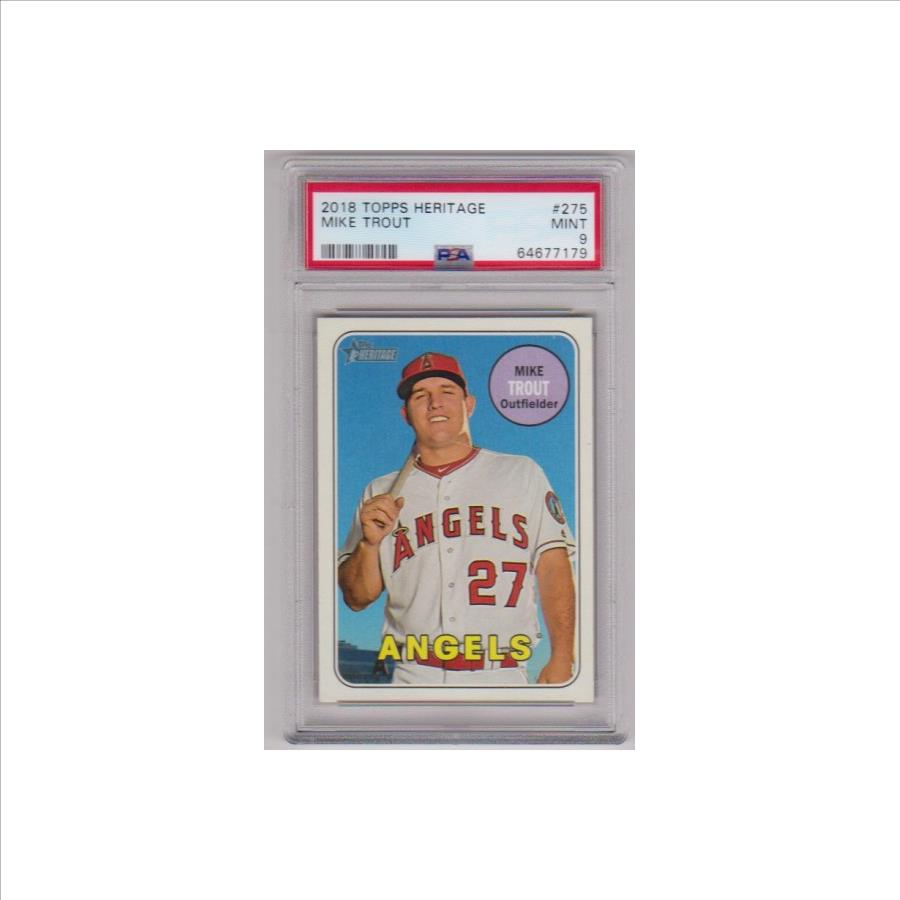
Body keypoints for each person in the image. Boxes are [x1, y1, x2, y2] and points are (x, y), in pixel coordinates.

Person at [338, 351, 576, 686]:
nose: (435, 402)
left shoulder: (521, 472)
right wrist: (369, 544)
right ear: (406, 414)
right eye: (420, 396)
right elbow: (356, 598)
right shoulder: (380, 492)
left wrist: (564, 656)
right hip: (413, 674)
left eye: (447, 392)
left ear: (469, 404)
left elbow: (554, 567)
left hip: (501, 673)